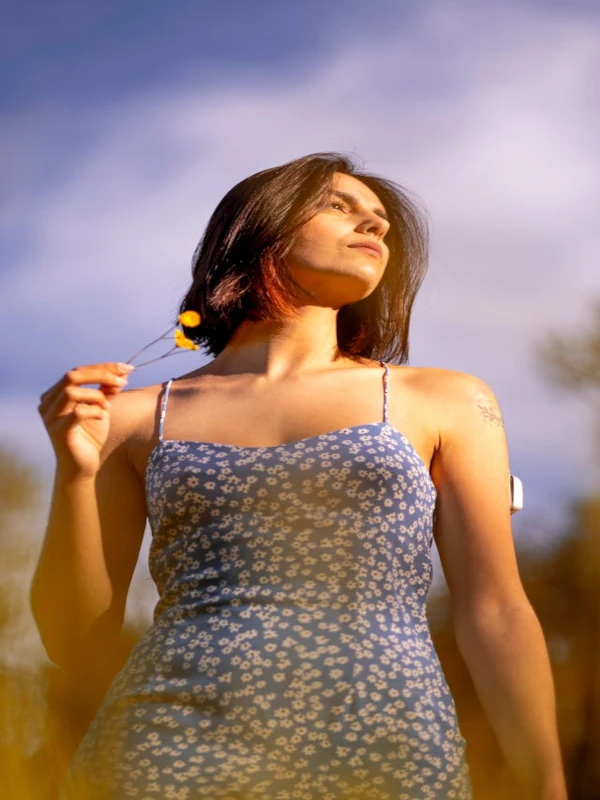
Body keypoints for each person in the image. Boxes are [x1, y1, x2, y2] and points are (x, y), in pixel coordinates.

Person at [32, 152, 567, 799]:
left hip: (387, 749)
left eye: (381, 223)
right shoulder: (130, 417)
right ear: (260, 226)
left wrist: (546, 781)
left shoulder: (448, 399)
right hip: (165, 746)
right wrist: (72, 473)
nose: (372, 226)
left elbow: (496, 611)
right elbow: (72, 640)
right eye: (339, 206)